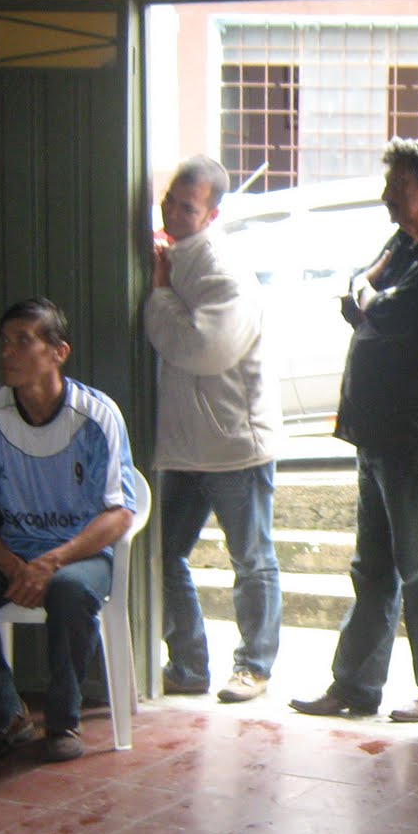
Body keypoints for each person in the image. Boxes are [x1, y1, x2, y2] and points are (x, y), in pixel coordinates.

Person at [0, 298, 138, 763]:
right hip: (12, 550)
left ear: (58, 352)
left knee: (70, 590)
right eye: (4, 342)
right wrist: (14, 566)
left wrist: (52, 561)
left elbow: (119, 514)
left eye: (22, 341)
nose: (7, 352)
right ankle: (6, 716)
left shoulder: (96, 416)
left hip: (80, 554)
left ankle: (63, 720)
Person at [291, 137, 418, 723]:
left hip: (408, 435)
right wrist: (368, 295)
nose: (388, 197)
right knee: (370, 566)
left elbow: (391, 309)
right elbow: (359, 288)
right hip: (372, 432)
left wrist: (369, 297)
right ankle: (354, 686)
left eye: (400, 187)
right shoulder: (402, 244)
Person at [146, 154, 281, 704]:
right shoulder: (172, 257)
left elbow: (202, 349)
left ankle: (254, 668)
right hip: (182, 448)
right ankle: (188, 665)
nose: (173, 214)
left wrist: (161, 294)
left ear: (212, 214)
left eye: (187, 207)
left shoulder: (222, 269)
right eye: (169, 203)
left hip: (234, 447)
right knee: (161, 555)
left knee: (252, 561)